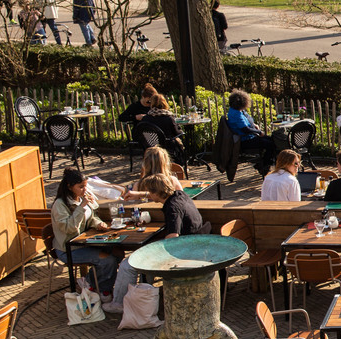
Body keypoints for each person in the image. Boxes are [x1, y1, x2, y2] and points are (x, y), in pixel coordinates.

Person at [105, 173, 207, 312]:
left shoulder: (172, 208)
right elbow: (156, 194)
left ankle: (118, 304)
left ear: (155, 193)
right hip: (196, 244)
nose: (149, 195)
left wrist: (153, 250)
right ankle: (145, 297)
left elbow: (173, 238)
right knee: (146, 252)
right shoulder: (180, 195)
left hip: (183, 251)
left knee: (127, 265)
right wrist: (139, 195)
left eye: (150, 192)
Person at [50, 168, 118, 300]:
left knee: (117, 252)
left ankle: (90, 282)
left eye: (85, 186)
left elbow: (91, 216)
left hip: (85, 242)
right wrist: (82, 207)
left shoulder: (82, 197)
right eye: (81, 187)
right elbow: (69, 228)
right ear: (70, 187)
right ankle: (103, 291)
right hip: (68, 249)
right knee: (108, 261)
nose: (84, 190)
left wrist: (98, 223)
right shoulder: (60, 205)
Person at [226, 89, 277, 174]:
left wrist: (254, 124)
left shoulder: (237, 110)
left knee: (271, 139)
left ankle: (263, 163)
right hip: (244, 140)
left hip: (248, 137)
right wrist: (259, 132)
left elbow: (247, 119)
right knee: (270, 144)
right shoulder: (236, 114)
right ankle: (264, 165)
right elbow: (245, 129)